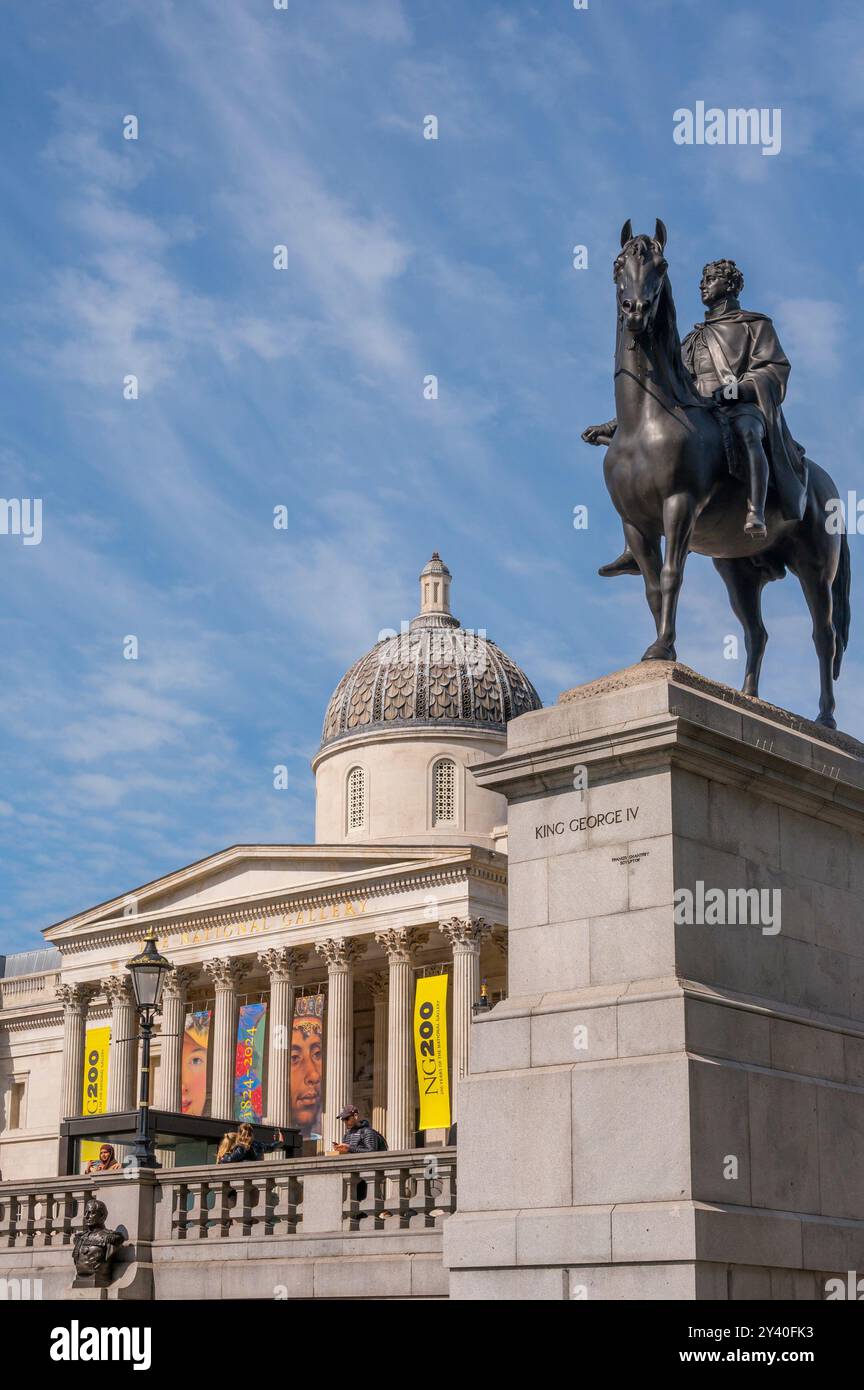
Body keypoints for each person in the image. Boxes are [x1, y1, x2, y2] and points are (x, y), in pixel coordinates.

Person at [585, 255, 808, 570]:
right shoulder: (693, 338)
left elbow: (773, 370)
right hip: (698, 410)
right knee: (642, 451)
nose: (703, 285)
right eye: (703, 280)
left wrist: (736, 390)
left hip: (738, 407)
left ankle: (754, 509)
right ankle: (635, 550)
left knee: (748, 431)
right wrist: (616, 424)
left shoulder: (755, 325)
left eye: (711, 279)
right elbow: (663, 389)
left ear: (729, 285)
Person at [217, 1121, 290, 1163]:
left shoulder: (241, 1147)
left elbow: (231, 1159)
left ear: (239, 1134)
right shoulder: (258, 1145)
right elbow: (270, 1147)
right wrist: (279, 1142)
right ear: (252, 1134)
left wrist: (223, 1158)